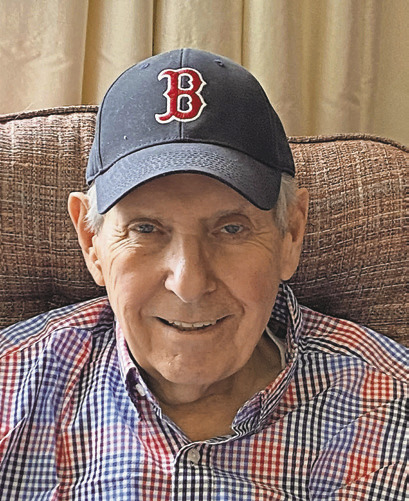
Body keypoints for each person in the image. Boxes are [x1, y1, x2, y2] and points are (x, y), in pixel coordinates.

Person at [0, 48, 407, 500]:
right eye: (145, 229)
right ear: (91, 241)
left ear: (291, 233)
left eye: (231, 229)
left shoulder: (388, 406)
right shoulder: (11, 384)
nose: (189, 284)